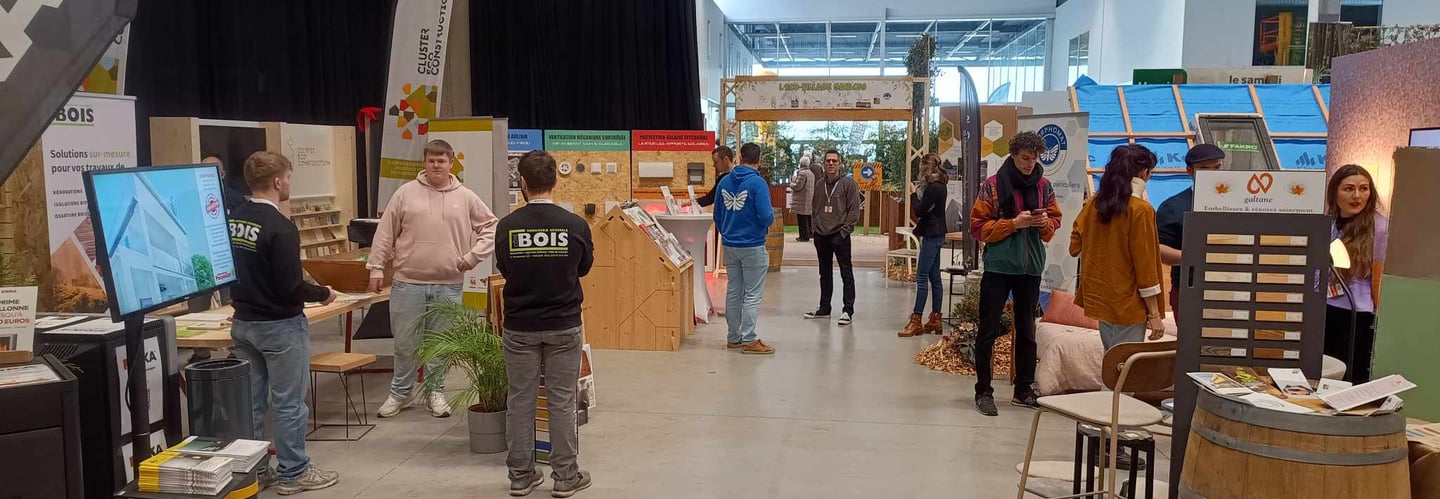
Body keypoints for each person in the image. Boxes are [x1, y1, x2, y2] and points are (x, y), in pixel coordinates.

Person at [227, 151, 339, 494]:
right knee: (289, 402)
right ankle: (294, 472)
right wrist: (323, 293)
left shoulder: (233, 219)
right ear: (278, 181)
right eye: (288, 178)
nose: (289, 183)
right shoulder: (281, 227)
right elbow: (290, 285)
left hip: (243, 322)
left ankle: (255, 470)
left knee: (252, 403)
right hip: (279, 326)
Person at [368, 139, 499, 418]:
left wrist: (472, 257)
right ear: (424, 163)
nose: (436, 165)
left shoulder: (465, 196)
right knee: (405, 343)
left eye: (441, 161)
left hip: (448, 284)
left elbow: (491, 226)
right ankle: (399, 394)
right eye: (431, 160)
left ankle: (434, 392)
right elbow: (385, 233)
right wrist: (376, 267)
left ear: (451, 163)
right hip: (407, 283)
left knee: (439, 342)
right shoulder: (405, 194)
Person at [495, 150, 595, 497]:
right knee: (561, 401)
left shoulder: (507, 226)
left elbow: (506, 269)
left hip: (520, 326)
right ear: (555, 180)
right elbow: (582, 268)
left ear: (522, 182)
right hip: (563, 324)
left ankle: (521, 475)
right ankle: (566, 476)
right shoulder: (575, 225)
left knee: (520, 401)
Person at [967, 132, 1061, 416]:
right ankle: (983, 390)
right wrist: (1013, 224)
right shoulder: (993, 186)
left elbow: (1054, 222)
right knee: (988, 329)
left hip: (1030, 268)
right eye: (1024, 158)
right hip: (998, 267)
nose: (1030, 164)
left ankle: (1023, 389)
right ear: (1013, 155)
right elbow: (977, 228)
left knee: (1028, 332)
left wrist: (1045, 223)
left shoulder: (1044, 187)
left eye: (1034, 159)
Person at [1069, 145, 1167, 351]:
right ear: (1144, 173)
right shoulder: (1141, 210)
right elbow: (1145, 265)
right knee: (1123, 369)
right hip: (1128, 301)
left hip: (1100, 296)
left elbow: (1074, 245)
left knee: (1112, 362)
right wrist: (1154, 314)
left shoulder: (1095, 205)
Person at [1325, 164, 1387, 383]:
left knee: (1352, 375)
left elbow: (1378, 279)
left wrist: (1381, 319)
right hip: (1326, 308)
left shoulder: (1379, 227)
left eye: (1364, 188)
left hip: (1357, 314)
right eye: (1349, 189)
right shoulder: (1329, 222)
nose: (1357, 196)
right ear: (1335, 192)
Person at [714, 143, 776, 355]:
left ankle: (733, 337)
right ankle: (750, 339)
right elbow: (767, 216)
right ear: (759, 159)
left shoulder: (724, 182)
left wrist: (728, 232)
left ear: (739, 157)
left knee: (734, 290)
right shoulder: (757, 184)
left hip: (730, 244)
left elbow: (718, 216)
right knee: (752, 294)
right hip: (753, 245)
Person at [1157, 144, 1225, 321]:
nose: (1212, 174)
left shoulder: (1241, 204)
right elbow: (1158, 249)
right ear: (1190, 171)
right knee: (1191, 346)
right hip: (1189, 290)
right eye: (1204, 169)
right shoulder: (1173, 207)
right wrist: (1194, 258)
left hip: (1232, 288)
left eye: (1217, 167)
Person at [804, 149, 861, 326]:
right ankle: (824, 307)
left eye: (834, 161)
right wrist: (815, 229)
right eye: (828, 161)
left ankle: (847, 310)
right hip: (822, 235)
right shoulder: (820, 184)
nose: (830, 164)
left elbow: (854, 211)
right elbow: (815, 208)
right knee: (824, 272)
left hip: (840, 235)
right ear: (824, 163)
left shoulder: (848, 184)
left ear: (839, 163)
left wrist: (844, 232)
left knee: (846, 273)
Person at [898, 154, 948, 338]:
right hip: (937, 233)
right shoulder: (941, 185)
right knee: (935, 277)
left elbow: (919, 210)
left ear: (926, 168)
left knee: (921, 277)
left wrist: (912, 193)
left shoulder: (933, 188)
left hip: (931, 234)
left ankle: (916, 319)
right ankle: (935, 318)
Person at [790, 155, 816, 242]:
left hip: (801, 200)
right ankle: (808, 234)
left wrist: (792, 182)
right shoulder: (811, 173)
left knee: (801, 219)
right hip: (809, 199)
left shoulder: (802, 173)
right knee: (807, 217)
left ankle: (803, 236)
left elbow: (798, 186)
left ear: (801, 164)